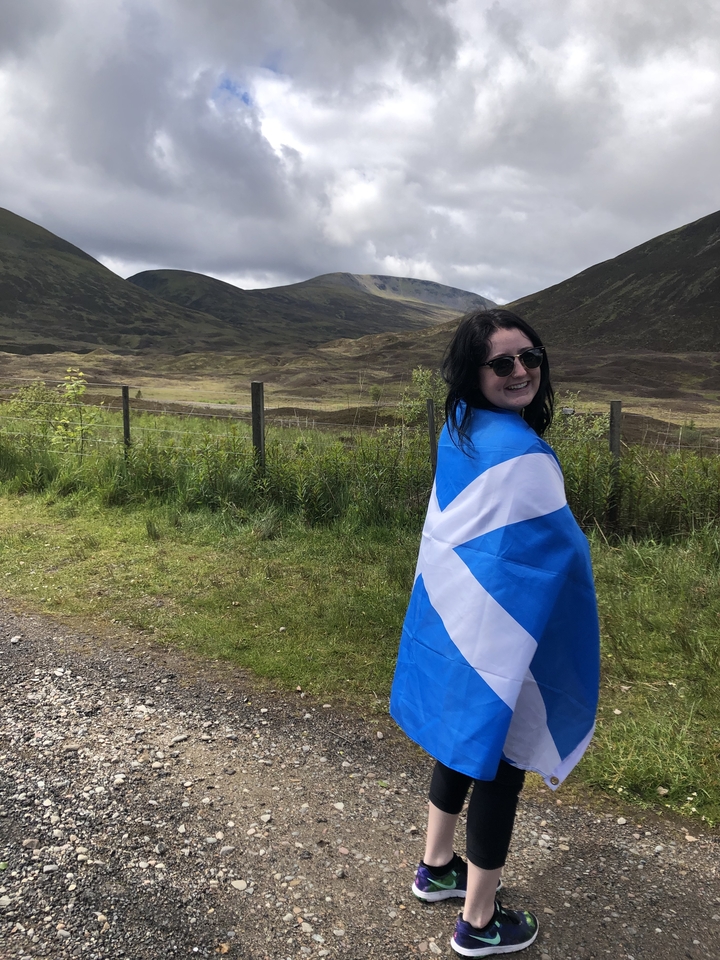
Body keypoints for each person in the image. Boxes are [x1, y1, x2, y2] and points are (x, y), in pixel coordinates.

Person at [390, 308, 600, 957]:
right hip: (500, 635)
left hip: (453, 623)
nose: (521, 371)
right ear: (472, 372)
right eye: (503, 362)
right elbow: (562, 559)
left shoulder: (461, 433)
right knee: (502, 766)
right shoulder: (524, 454)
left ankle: (436, 867)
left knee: (460, 739)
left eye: (530, 357)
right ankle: (479, 922)